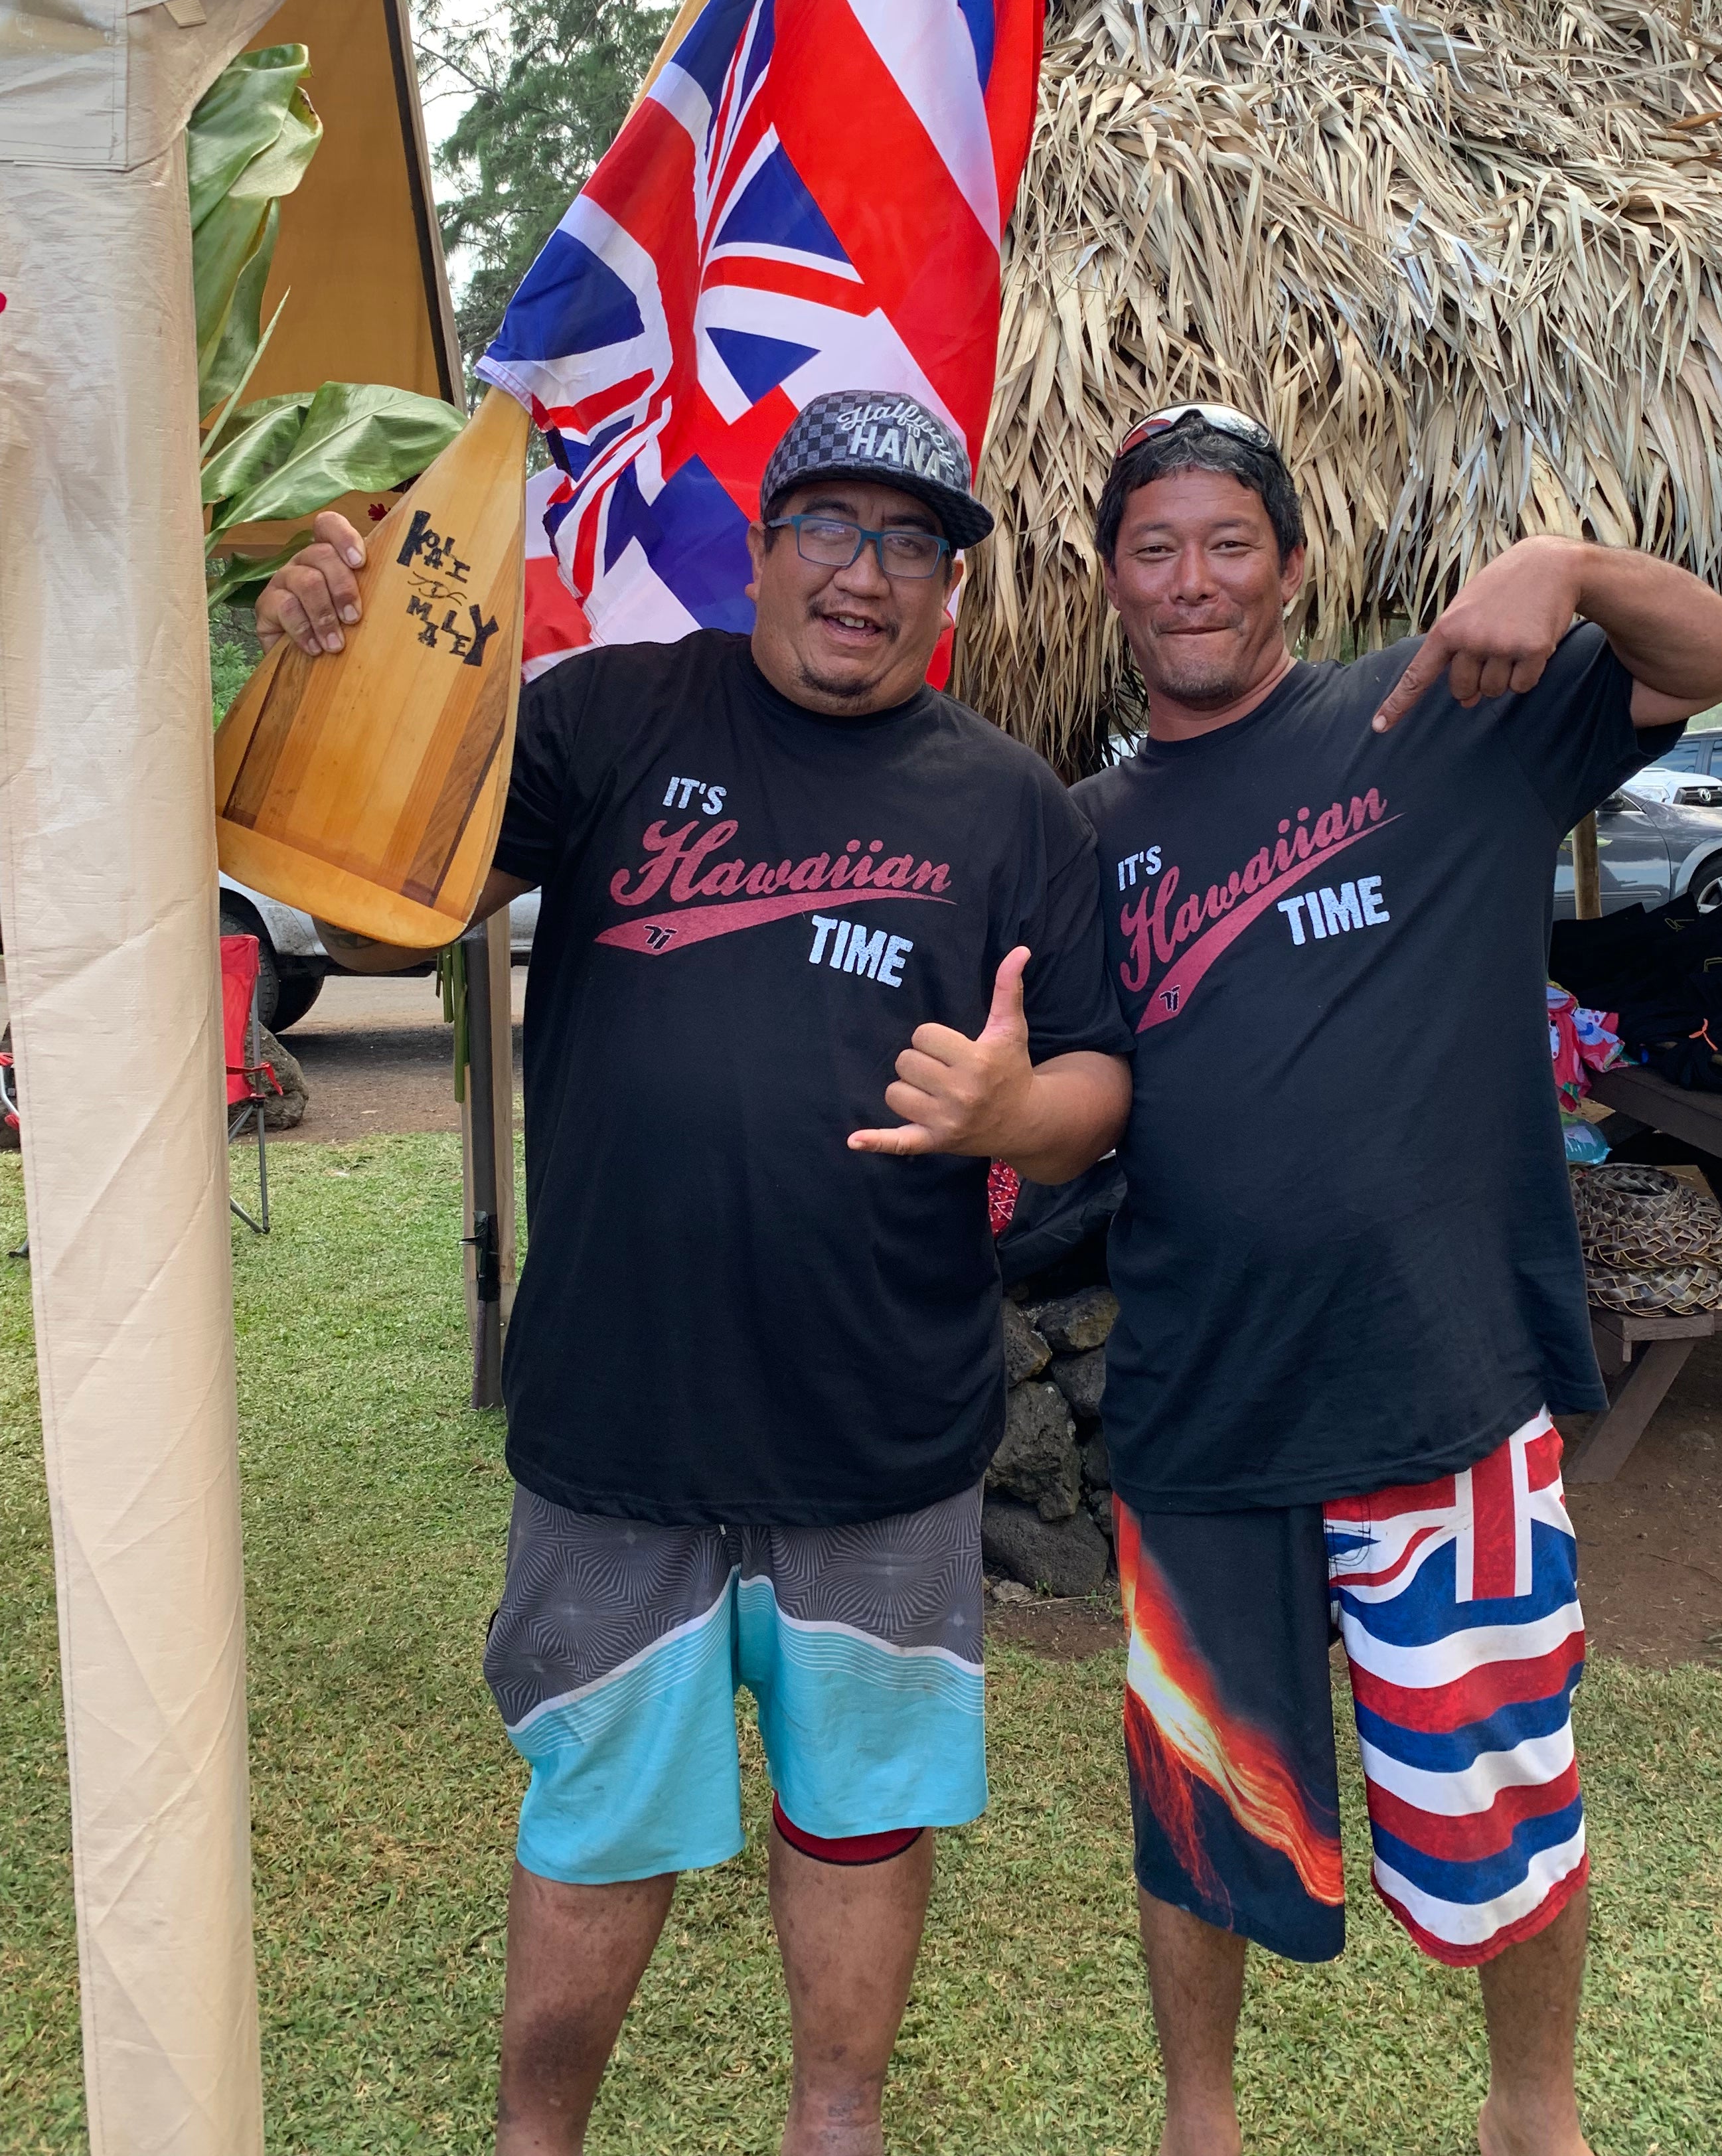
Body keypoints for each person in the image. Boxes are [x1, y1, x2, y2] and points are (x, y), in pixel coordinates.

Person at [256, 390, 1132, 2156]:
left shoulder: (1010, 804)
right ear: (760, 547)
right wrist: (334, 665)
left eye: (909, 543)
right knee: (598, 1816)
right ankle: (538, 2142)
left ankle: (836, 2126)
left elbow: (1098, 1088)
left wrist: (1014, 1110)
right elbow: (373, 906)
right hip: (620, 1410)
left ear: (949, 587)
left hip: (878, 1421)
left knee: (861, 1818)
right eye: (830, 528)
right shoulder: (611, 717)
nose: (864, 573)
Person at [1070, 404, 1722, 2156]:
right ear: (1111, 584)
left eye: (1229, 542)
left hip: (1443, 1385)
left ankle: (1535, 2121)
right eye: (1154, 548)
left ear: (1291, 569)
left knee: (1506, 1803)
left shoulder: (1444, 714)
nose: (1193, 579)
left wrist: (1571, 566)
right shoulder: (1081, 837)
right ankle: (1200, 2127)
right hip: (1201, 1402)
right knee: (1200, 1808)